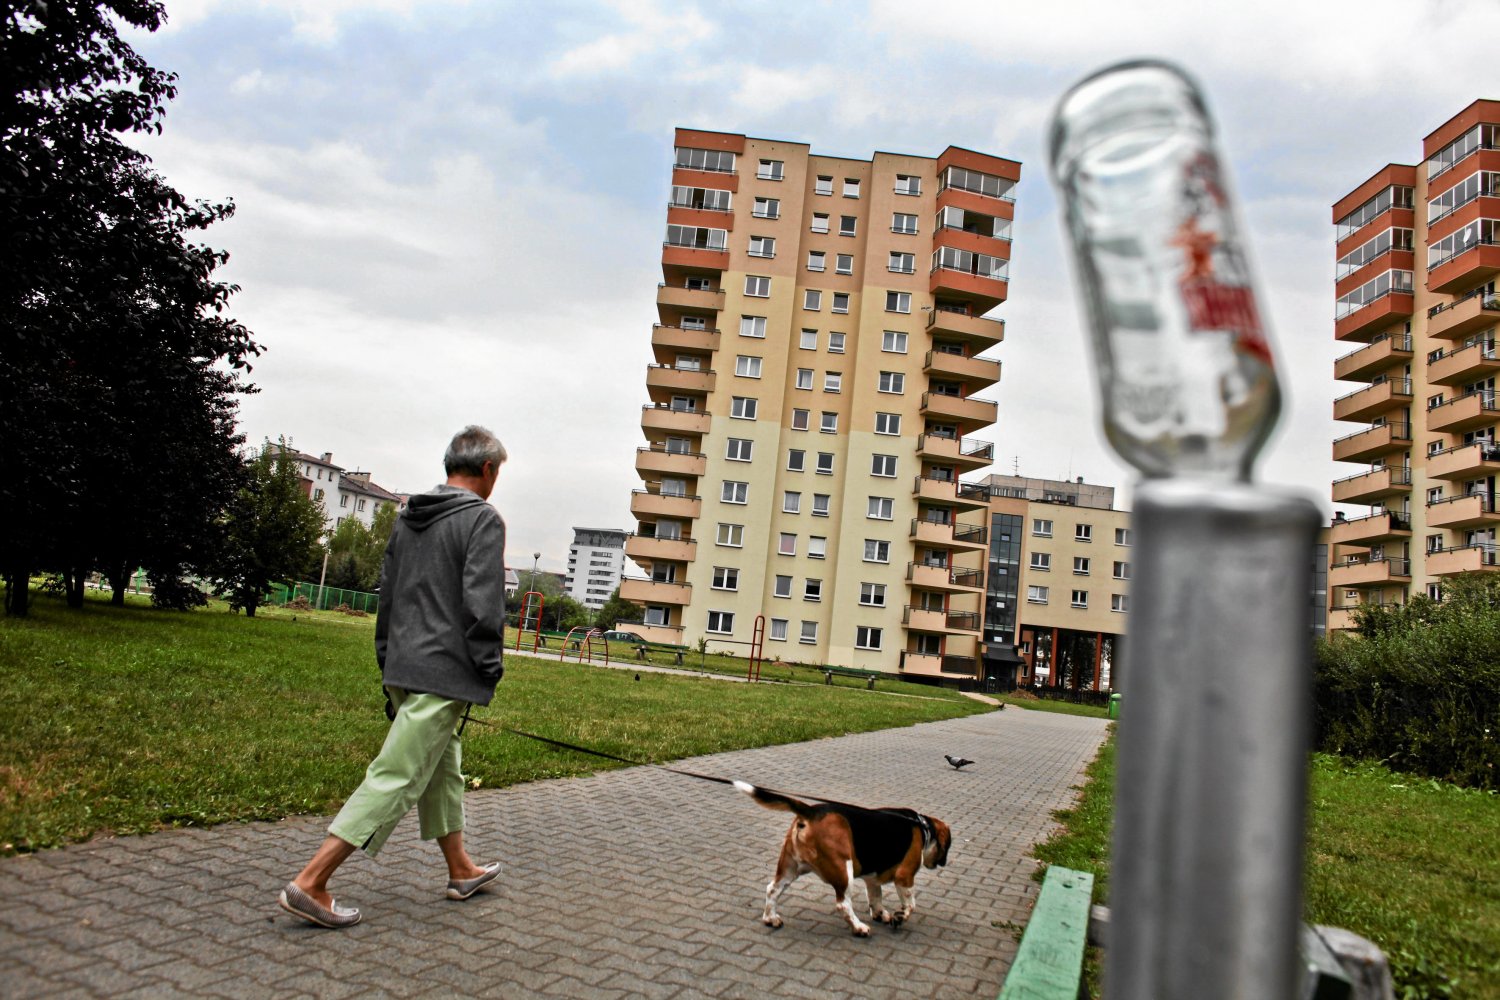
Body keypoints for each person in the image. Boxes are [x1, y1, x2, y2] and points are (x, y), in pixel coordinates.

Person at [278, 426, 509, 928]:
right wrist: (489, 667)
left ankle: (461, 868)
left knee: (442, 767)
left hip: (404, 664)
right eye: (498, 472)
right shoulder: (483, 520)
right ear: (488, 470)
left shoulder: (409, 518)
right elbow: (483, 606)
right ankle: (312, 881)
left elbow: (389, 595)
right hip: (445, 671)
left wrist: (388, 660)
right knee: (397, 774)